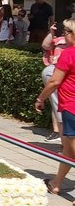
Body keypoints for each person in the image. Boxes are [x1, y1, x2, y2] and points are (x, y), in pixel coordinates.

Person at [36, 19, 75, 195]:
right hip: (70, 107)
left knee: (72, 149)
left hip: (71, 107)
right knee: (68, 149)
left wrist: (40, 98)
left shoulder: (69, 54)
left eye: (66, 31)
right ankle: (56, 183)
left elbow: (54, 81)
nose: (64, 34)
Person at [41, 22, 66, 142]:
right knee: (56, 104)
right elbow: (45, 45)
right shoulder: (59, 40)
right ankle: (58, 132)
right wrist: (51, 33)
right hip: (56, 77)